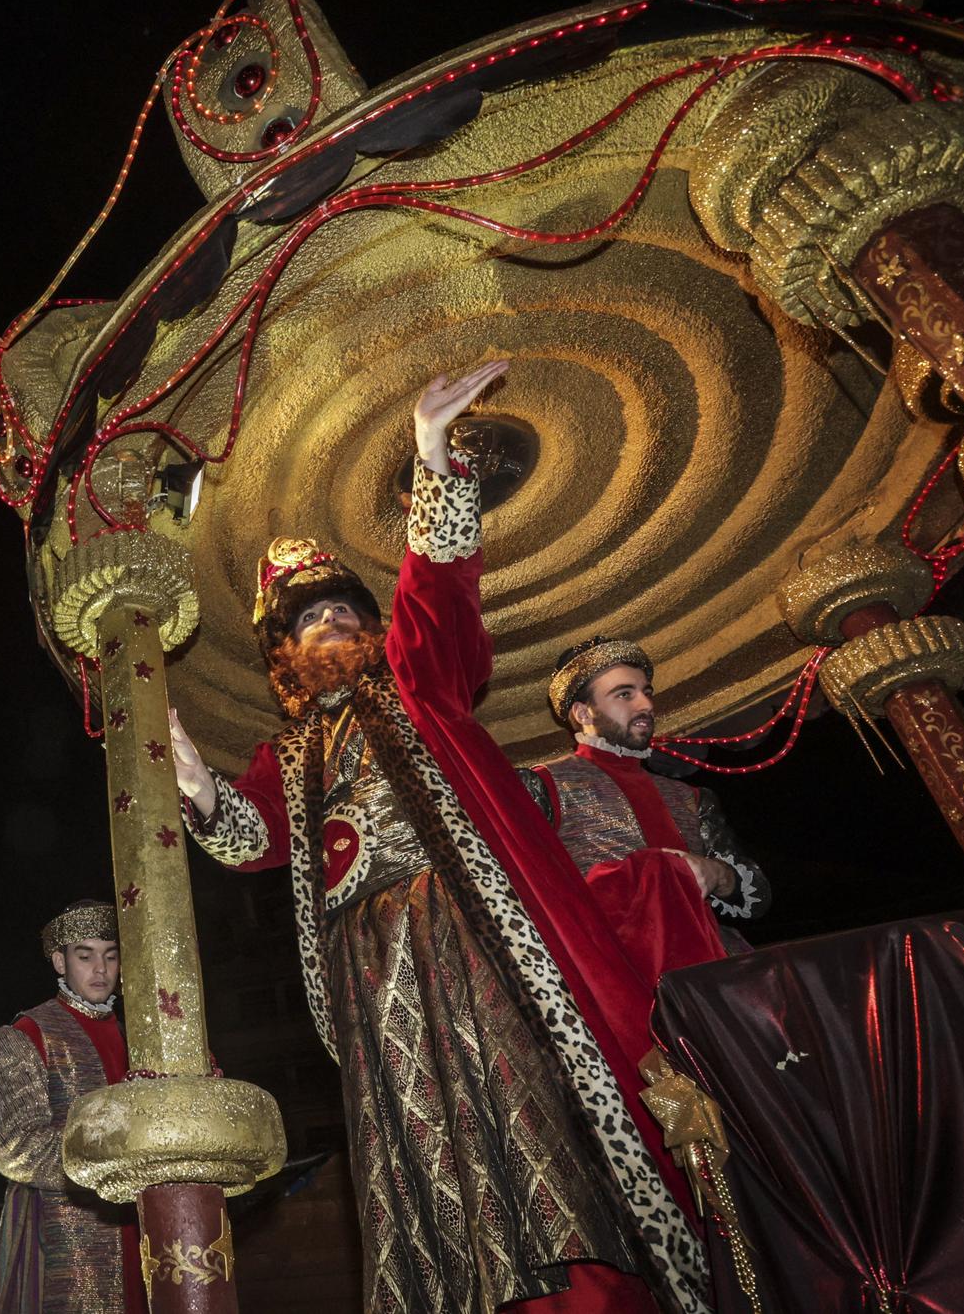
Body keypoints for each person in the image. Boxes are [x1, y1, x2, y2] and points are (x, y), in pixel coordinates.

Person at [167, 361, 714, 1313]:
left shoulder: (417, 686)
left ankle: (584, 1288)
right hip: (367, 960)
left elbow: (437, 598)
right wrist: (190, 783)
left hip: (469, 921)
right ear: (285, 657)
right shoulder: (285, 756)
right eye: (308, 620)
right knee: (416, 1146)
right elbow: (248, 832)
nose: (331, 621)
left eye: (343, 608)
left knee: (525, 1109)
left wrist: (432, 459)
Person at [522, 638, 770, 959]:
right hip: (608, 975)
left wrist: (718, 875)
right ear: (583, 712)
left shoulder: (692, 798)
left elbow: (759, 899)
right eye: (625, 694)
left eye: (646, 692)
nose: (646, 705)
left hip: (709, 971)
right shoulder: (540, 784)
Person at [0, 901, 144, 1313]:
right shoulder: (23, 1036)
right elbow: (19, 1148)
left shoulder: (141, 1039)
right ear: (59, 961)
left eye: (110, 955)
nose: (100, 969)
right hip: (64, 1233)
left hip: (143, 1231)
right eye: (84, 956)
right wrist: (118, 1167)